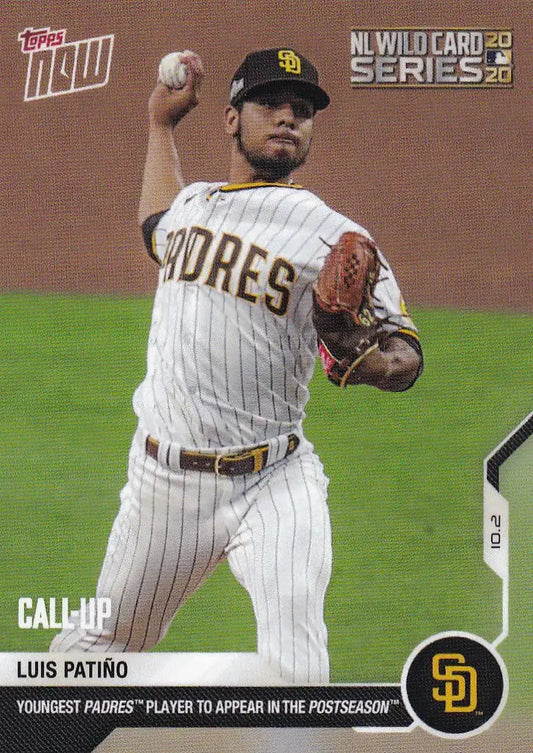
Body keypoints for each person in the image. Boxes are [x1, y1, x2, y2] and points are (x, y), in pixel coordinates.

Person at [50, 48, 423, 684]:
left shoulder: (335, 235)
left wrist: (368, 364)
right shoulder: (194, 205)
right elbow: (154, 225)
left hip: (276, 480)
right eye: (269, 104)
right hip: (166, 484)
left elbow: (406, 354)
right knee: (98, 646)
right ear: (230, 120)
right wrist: (160, 127)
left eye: (301, 111)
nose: (287, 118)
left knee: (296, 668)